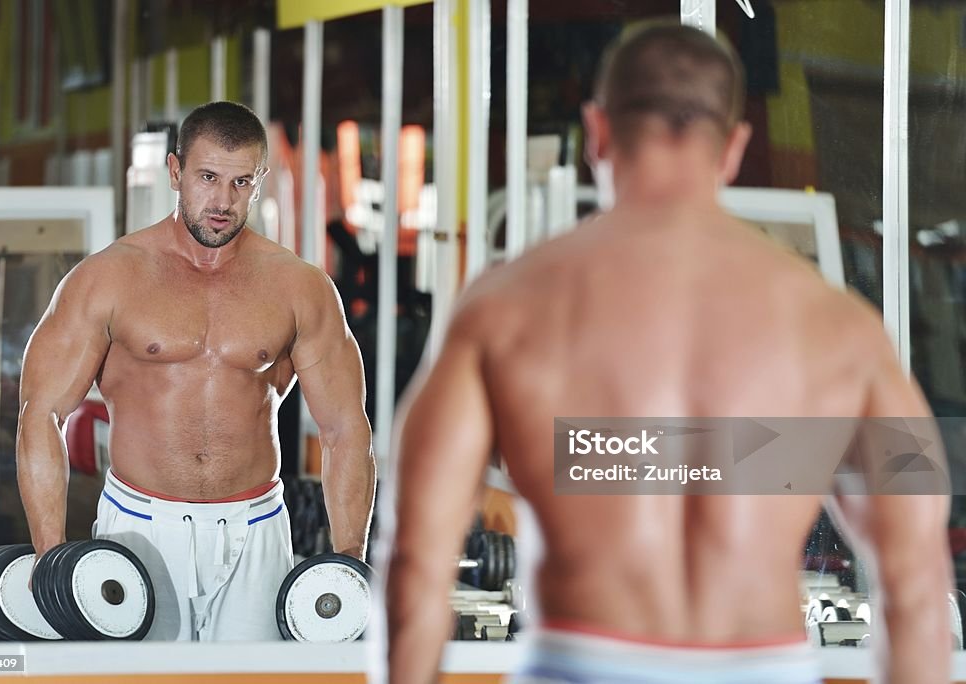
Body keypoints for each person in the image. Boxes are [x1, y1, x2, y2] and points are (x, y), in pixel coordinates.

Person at [384, 22, 952, 684]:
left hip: (577, 663)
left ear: (597, 130)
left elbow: (418, 562)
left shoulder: (503, 310)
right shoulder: (843, 330)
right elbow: (915, 583)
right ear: (735, 145)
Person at [16, 101, 375, 641]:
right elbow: (39, 415)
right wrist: (51, 560)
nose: (223, 201)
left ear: (259, 183)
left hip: (255, 527)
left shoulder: (300, 287)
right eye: (208, 177)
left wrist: (350, 563)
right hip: (140, 526)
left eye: (241, 183)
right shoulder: (107, 279)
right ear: (176, 171)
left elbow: (346, 430)